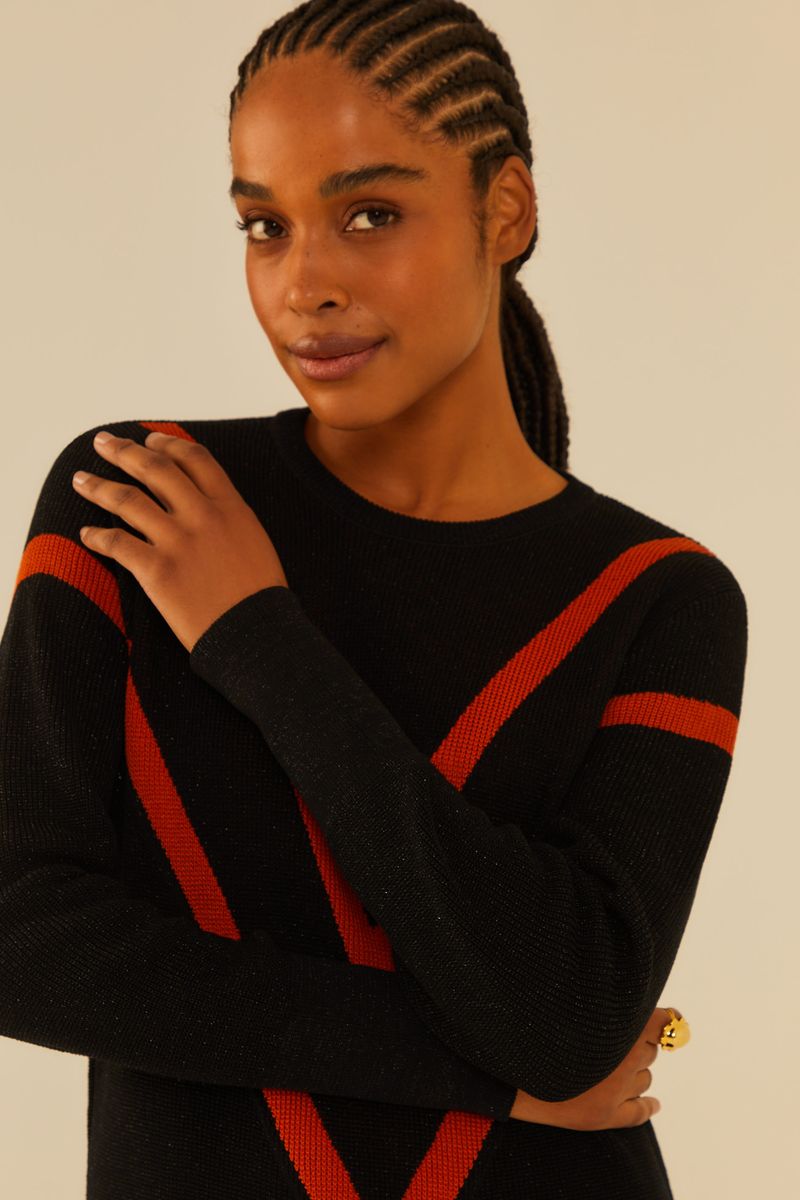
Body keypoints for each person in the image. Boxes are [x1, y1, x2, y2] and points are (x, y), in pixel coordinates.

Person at [0, 2, 748, 1198]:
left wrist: (254, 636)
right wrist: (481, 1078)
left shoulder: (659, 597)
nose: (304, 284)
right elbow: (23, 942)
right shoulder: (138, 503)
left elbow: (564, 1014)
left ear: (505, 210)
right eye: (264, 225)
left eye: (370, 216)